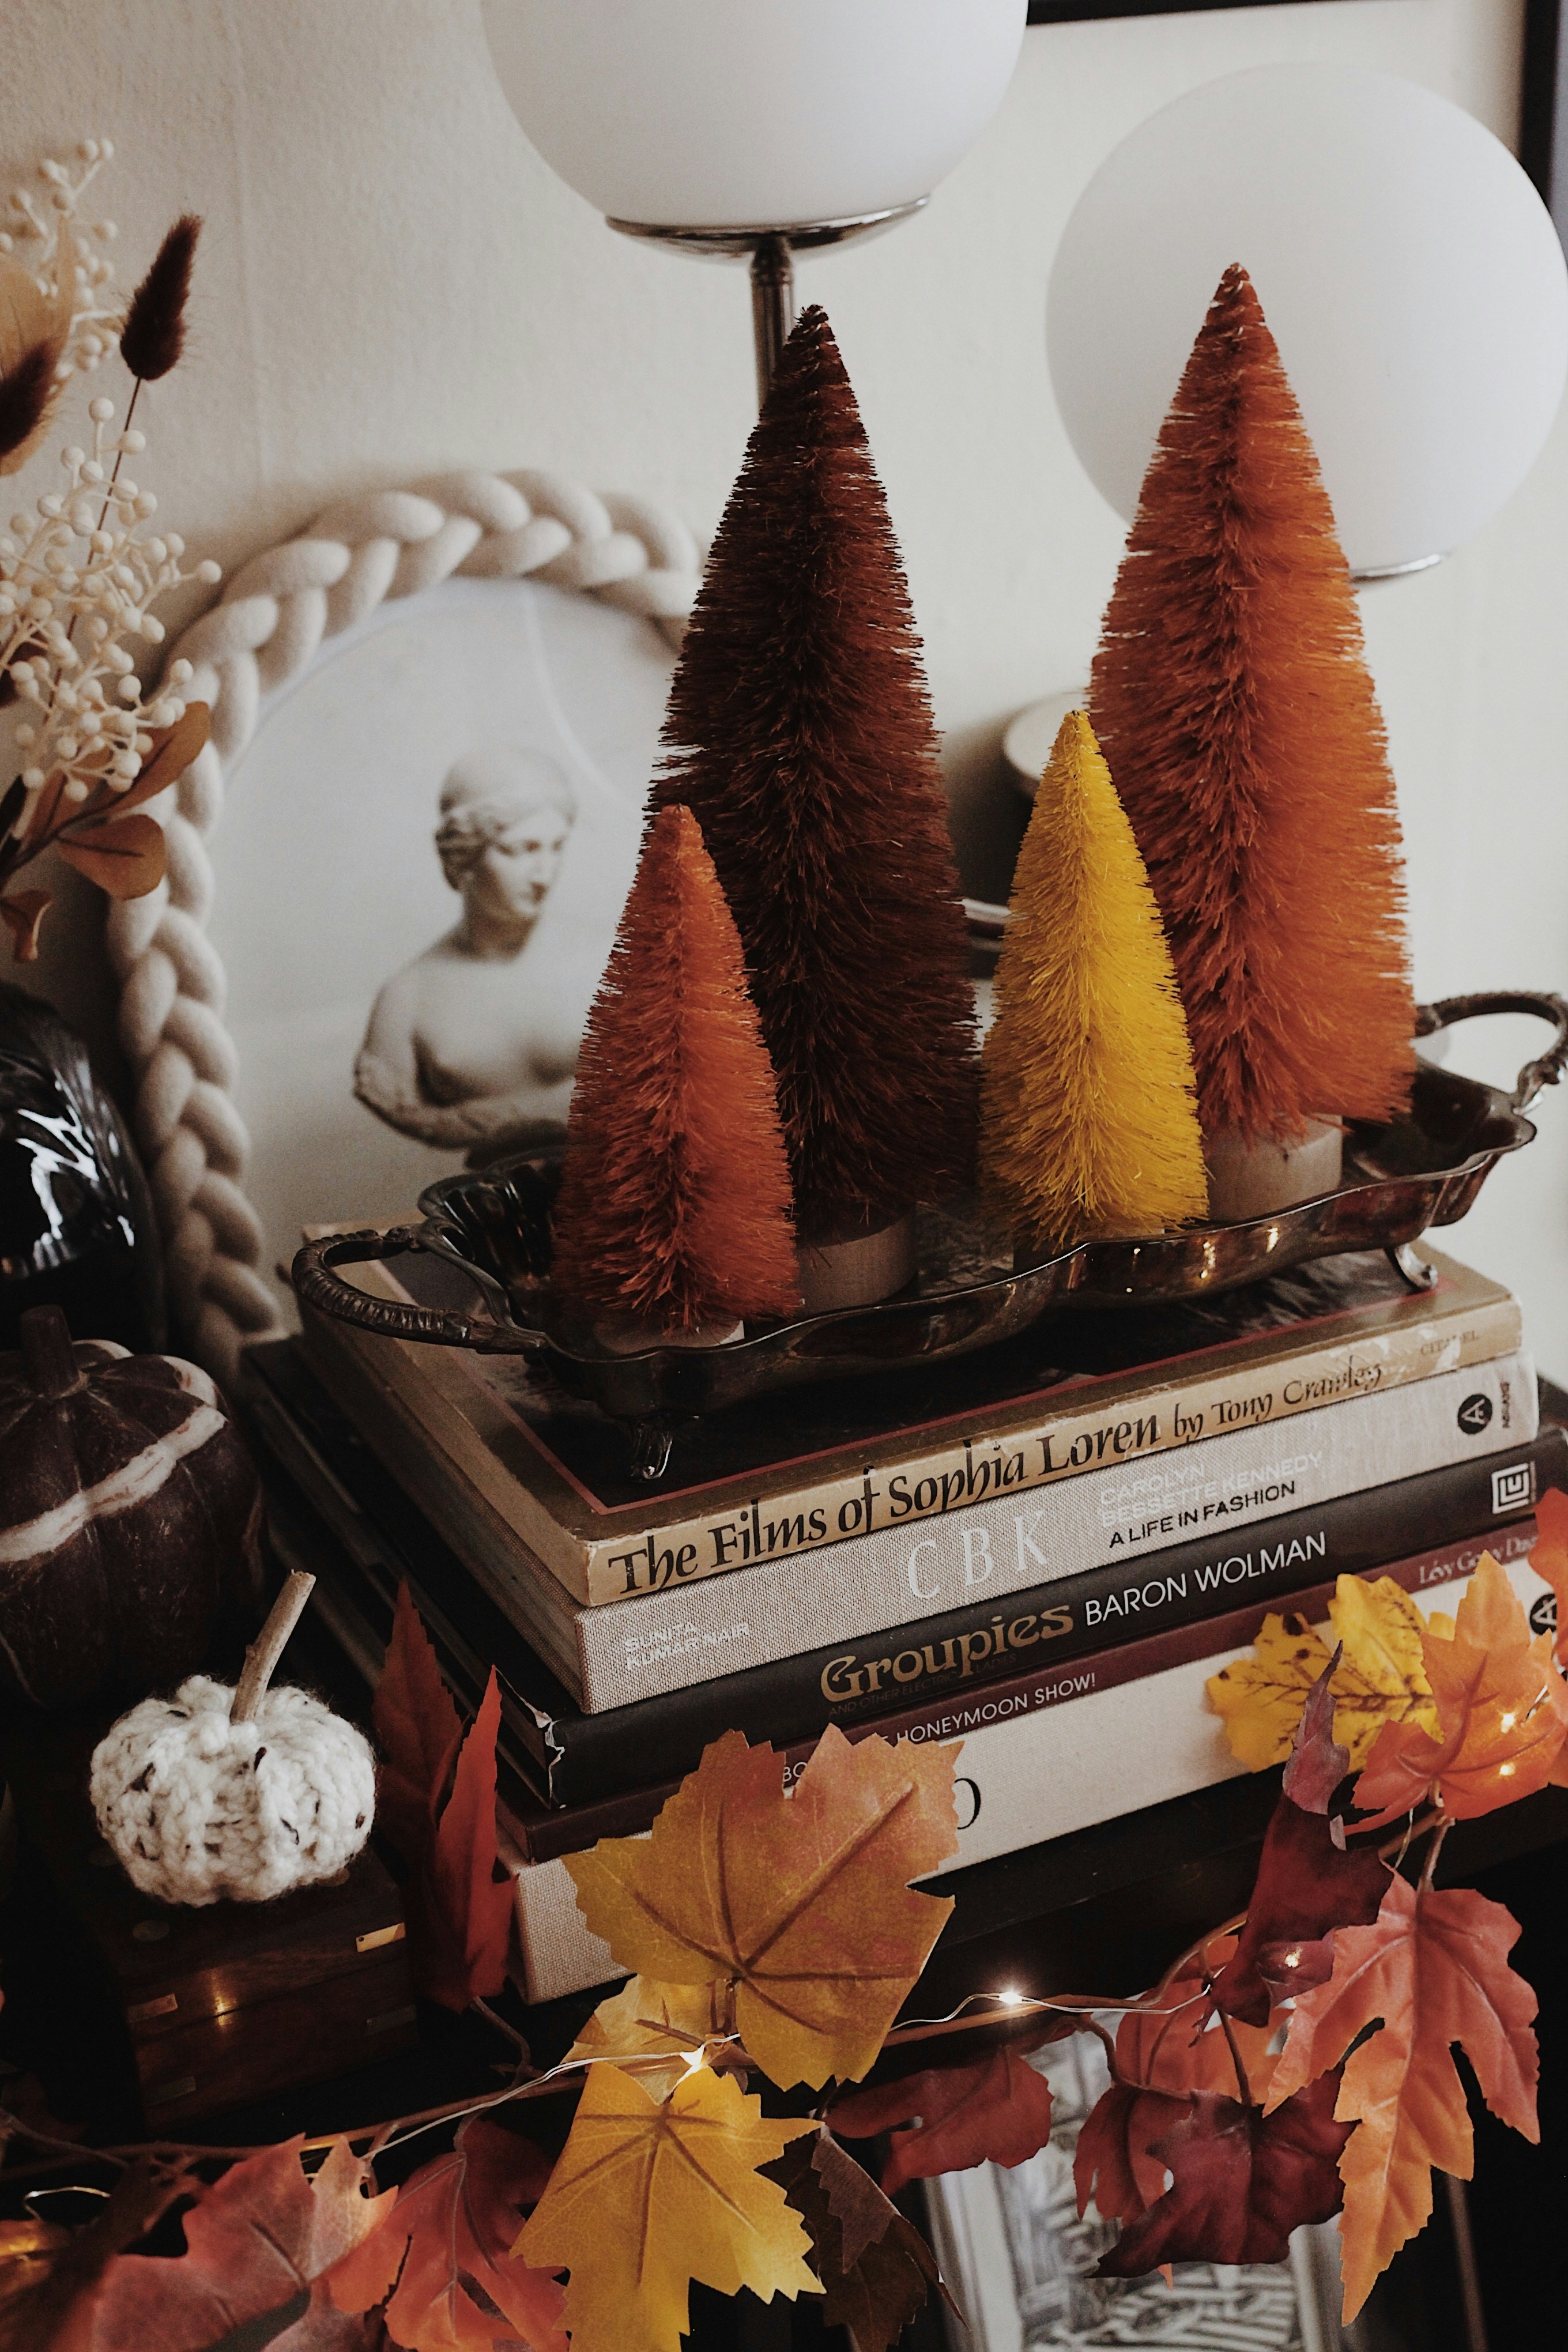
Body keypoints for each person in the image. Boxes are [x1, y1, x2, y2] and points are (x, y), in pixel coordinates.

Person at [355, 747, 585, 1160]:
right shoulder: (406, 1000)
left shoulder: (611, 957)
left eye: (556, 847)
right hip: (493, 1212)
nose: (545, 874)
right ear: (464, 856)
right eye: (522, 850)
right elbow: (399, 1104)